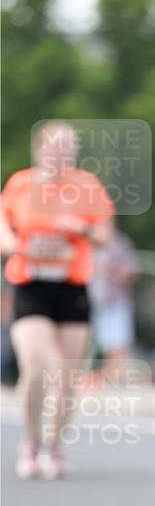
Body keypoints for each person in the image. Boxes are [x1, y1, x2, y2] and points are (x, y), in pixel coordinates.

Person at [1, 122, 114, 478]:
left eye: (68, 147)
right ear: (39, 149)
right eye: (55, 147)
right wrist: (16, 245)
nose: (61, 154)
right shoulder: (21, 184)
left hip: (71, 288)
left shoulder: (86, 186)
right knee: (37, 364)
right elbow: (3, 225)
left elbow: (105, 235)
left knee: (66, 375)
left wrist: (78, 228)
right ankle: (31, 440)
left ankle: (53, 445)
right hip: (32, 283)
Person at [90, 226, 139, 378]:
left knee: (119, 343)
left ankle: (119, 376)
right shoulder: (88, 243)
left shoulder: (120, 243)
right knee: (106, 344)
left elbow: (131, 273)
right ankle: (113, 375)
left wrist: (111, 270)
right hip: (96, 302)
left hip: (117, 301)